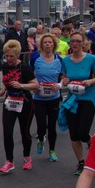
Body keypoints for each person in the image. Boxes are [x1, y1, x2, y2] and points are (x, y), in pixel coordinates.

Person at [60, 32, 95, 176]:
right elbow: (64, 79)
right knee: (74, 134)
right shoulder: (66, 60)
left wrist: (90, 81)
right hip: (72, 99)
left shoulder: (91, 58)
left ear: (83, 43)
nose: (75, 44)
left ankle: (91, 141)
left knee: (83, 132)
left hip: (87, 98)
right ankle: (81, 162)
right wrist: (64, 81)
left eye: (78, 41)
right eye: (72, 41)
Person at [0, 40, 37, 174]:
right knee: (7, 132)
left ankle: (27, 157)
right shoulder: (5, 66)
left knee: (24, 132)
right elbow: (7, 80)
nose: (9, 59)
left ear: (17, 55)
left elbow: (35, 85)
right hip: (10, 101)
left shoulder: (24, 67)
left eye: (12, 56)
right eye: (7, 56)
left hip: (25, 102)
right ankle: (9, 161)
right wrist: (4, 89)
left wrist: (21, 85)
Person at [31, 34, 63, 162]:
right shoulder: (35, 58)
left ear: (54, 44)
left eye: (50, 42)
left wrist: (59, 85)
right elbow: (29, 74)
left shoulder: (59, 60)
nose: (48, 44)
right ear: (41, 45)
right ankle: (40, 139)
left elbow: (64, 78)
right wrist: (34, 86)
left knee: (52, 126)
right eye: (45, 42)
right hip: (39, 98)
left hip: (54, 97)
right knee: (41, 125)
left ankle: (52, 151)